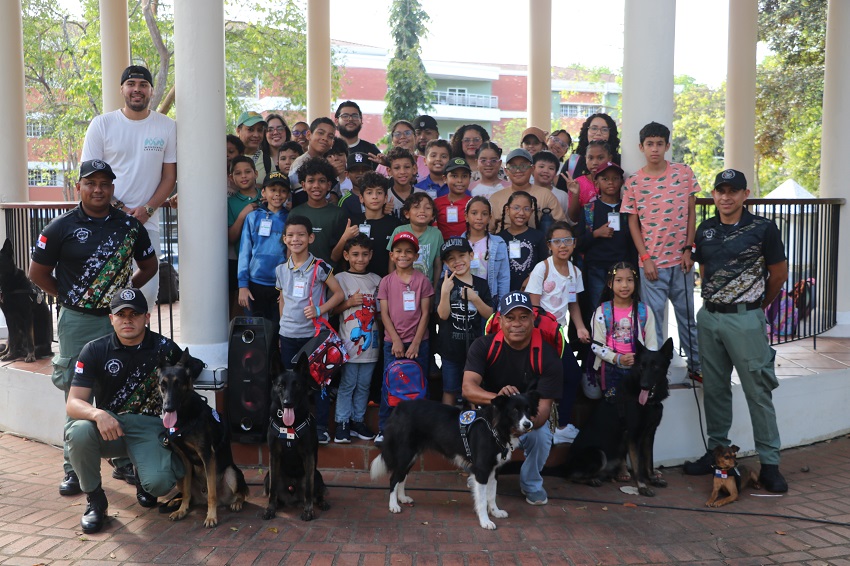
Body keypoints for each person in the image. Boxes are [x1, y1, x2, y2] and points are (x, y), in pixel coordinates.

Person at [29, 159, 157, 498]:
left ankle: (125, 460)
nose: (98, 189)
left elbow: (149, 265)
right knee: (76, 391)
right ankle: (73, 468)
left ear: (112, 188)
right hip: (77, 321)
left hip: (118, 320)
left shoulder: (129, 226)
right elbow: (37, 274)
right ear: (79, 187)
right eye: (90, 183)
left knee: (122, 387)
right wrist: (69, 297)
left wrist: (124, 295)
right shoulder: (60, 227)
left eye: (104, 183)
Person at [683, 169, 789, 493]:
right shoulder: (705, 230)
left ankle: (770, 464)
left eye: (733, 191)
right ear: (714, 195)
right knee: (715, 389)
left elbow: (779, 273)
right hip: (710, 318)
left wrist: (755, 306)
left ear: (745, 194)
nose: (726, 197)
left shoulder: (763, 228)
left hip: (745, 320)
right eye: (720, 191)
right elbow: (705, 271)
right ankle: (717, 454)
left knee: (758, 391)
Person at [65, 288, 184, 533]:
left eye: (135, 314)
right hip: (112, 427)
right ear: (111, 319)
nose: (127, 320)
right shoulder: (94, 350)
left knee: (160, 484)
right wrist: (98, 414)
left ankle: (142, 473)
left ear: (147, 317)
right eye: (121, 315)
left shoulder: (166, 349)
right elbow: (74, 402)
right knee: (78, 431)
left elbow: (188, 374)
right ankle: (96, 501)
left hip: (149, 427)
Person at [80, 65, 176, 310]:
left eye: (143, 85)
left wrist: (147, 210)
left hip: (147, 224)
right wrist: (119, 209)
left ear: (151, 90)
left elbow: (169, 177)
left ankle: (141, 337)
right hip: (105, 223)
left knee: (147, 296)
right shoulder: (102, 124)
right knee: (106, 295)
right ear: (122, 89)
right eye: (131, 84)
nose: (137, 89)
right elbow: (88, 177)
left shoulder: (167, 126)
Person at [462, 291, 563, 506]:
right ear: (500, 321)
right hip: (493, 414)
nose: (517, 324)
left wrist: (520, 425)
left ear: (533, 320)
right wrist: (500, 399)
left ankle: (531, 483)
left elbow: (544, 409)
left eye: (523, 317)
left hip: (528, 416)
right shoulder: (483, 345)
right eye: (510, 318)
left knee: (541, 436)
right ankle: (480, 471)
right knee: (474, 425)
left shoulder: (547, 354)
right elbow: (468, 388)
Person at [622, 121, 701, 380]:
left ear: (667, 146)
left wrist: (689, 249)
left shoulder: (684, 173)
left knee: (687, 318)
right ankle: (655, 374)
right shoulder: (634, 182)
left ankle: (696, 367)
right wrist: (645, 258)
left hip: (681, 263)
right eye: (649, 144)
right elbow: (632, 223)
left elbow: (691, 213)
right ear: (641, 147)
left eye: (659, 144)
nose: (654, 149)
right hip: (652, 265)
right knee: (652, 322)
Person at [275, 215, 345, 444]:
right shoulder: (280, 270)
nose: (295, 239)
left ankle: (321, 427)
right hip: (288, 335)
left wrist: (319, 309)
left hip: (314, 336)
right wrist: (282, 327)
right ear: (284, 239)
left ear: (311, 238)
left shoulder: (320, 266)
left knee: (319, 383)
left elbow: (339, 294)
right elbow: (282, 300)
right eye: (290, 235)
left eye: (301, 235)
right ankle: (293, 426)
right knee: (289, 385)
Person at [525, 221, 587, 445]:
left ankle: (561, 425)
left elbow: (573, 304)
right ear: (549, 245)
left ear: (574, 244)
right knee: (542, 379)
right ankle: (537, 425)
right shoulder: (543, 268)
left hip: (558, 334)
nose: (563, 245)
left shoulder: (575, 272)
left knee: (573, 375)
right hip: (540, 334)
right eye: (557, 241)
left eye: (567, 240)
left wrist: (580, 327)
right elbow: (533, 308)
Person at [376, 232, 434, 441]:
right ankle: (385, 429)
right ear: (391, 255)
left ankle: (419, 429)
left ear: (416, 256)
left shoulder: (423, 281)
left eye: (409, 252)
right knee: (390, 385)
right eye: (399, 251)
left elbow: (426, 313)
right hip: (393, 344)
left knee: (418, 385)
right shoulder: (386, 282)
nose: (403, 255)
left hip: (418, 344)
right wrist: (396, 340)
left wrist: (416, 343)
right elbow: (384, 314)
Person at [331, 234, 381, 443]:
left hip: (371, 345)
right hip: (348, 345)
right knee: (348, 384)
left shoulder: (377, 280)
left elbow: (382, 313)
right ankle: (342, 422)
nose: (360, 259)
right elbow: (331, 310)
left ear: (371, 255)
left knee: (364, 385)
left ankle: (357, 421)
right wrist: (349, 303)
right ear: (346, 255)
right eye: (355, 254)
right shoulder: (340, 278)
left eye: (364, 254)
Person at [436, 238, 493, 406]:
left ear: (471, 255)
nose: (457, 261)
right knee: (449, 389)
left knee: (474, 390)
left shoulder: (481, 284)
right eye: (451, 259)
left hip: (475, 350)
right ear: (446, 263)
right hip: (450, 349)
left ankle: (474, 420)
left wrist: (475, 298)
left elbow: (489, 314)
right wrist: (445, 292)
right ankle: (447, 421)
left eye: (461, 255)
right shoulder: (444, 283)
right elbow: (443, 315)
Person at [589, 262, 658, 399]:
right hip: (611, 369)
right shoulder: (602, 312)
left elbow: (652, 345)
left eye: (630, 280)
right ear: (610, 284)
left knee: (637, 405)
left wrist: (641, 360)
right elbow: (596, 345)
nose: (625, 285)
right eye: (619, 280)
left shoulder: (644, 311)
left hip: (639, 369)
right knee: (613, 404)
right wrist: (617, 358)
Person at [575, 161, 638, 310]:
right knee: (598, 309)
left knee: (624, 308)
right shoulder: (589, 210)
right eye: (605, 179)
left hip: (623, 269)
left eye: (615, 178)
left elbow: (633, 242)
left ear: (621, 182)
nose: (611, 182)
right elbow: (578, 243)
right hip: (596, 268)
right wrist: (596, 234)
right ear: (596, 183)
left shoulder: (627, 209)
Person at [237, 172, 289, 328]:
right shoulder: (253, 217)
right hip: (255, 284)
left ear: (288, 194)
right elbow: (244, 252)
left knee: (278, 328)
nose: (277, 194)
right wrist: (243, 285)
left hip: (280, 285)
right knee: (257, 330)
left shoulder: (290, 218)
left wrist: (286, 286)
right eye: (273, 190)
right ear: (264, 192)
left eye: (283, 191)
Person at [290, 157, 350, 267]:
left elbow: (343, 254)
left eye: (321, 181)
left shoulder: (339, 214)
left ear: (329, 185)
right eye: (311, 181)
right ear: (303, 185)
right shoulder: (295, 213)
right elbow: (289, 250)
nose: (316, 186)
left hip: (331, 274)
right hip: (300, 274)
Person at [489, 149, 566, 233]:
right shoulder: (496, 198)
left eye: (523, 166)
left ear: (532, 169)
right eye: (513, 167)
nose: (518, 170)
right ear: (506, 171)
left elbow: (562, 227)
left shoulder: (546, 195)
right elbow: (488, 231)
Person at [349, 172, 400, 277]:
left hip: (386, 280)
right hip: (357, 281)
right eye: (369, 193)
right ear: (361, 198)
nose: (374, 197)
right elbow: (338, 256)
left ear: (385, 198)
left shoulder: (395, 224)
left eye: (379, 192)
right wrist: (345, 237)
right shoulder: (352, 223)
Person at [388, 193, 443, 289]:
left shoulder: (436, 234)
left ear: (433, 215)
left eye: (427, 208)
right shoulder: (399, 231)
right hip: (401, 286)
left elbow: (438, 264)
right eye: (416, 207)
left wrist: (435, 289)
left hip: (426, 288)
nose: (422, 211)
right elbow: (391, 261)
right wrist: (393, 284)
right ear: (407, 214)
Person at [463, 196, 510, 308]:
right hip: (463, 297)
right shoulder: (458, 243)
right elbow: (447, 273)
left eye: (484, 214)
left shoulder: (498, 243)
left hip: (489, 298)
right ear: (466, 217)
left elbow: (503, 277)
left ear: (489, 218)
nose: (479, 217)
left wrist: (502, 306)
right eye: (474, 213)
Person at [497, 191, 548, 292]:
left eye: (526, 209)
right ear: (507, 210)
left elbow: (544, 265)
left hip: (531, 290)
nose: (521, 213)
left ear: (532, 212)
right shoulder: (499, 239)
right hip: (504, 292)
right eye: (516, 208)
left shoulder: (538, 236)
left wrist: (529, 280)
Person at [288, 117, 337, 192]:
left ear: (332, 143)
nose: (325, 138)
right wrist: (333, 175)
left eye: (330, 136)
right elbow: (301, 196)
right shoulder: (300, 164)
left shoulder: (331, 163)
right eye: (320, 133)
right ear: (308, 135)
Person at [571, 112, 621, 180]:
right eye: (594, 128)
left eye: (604, 130)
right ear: (586, 131)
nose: (598, 133)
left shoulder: (621, 162)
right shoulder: (573, 162)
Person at [433, 157, 473, 240]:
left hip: (467, 246)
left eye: (464, 176)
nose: (459, 180)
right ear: (445, 179)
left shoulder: (474, 203)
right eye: (454, 176)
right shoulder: (436, 203)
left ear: (470, 178)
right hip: (443, 246)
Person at [385, 147, 421, 219]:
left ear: (414, 169)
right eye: (397, 168)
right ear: (389, 171)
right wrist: (382, 213)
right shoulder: (383, 198)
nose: (402, 172)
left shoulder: (422, 196)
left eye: (407, 167)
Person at [234, 111, 268, 185]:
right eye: (250, 129)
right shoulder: (228, 158)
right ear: (238, 130)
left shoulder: (267, 161)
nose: (256, 135)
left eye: (260, 130)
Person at [413, 114, 440, 181]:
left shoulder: (444, 161)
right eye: (418, 133)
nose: (422, 137)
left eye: (428, 133)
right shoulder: (410, 160)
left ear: (437, 135)